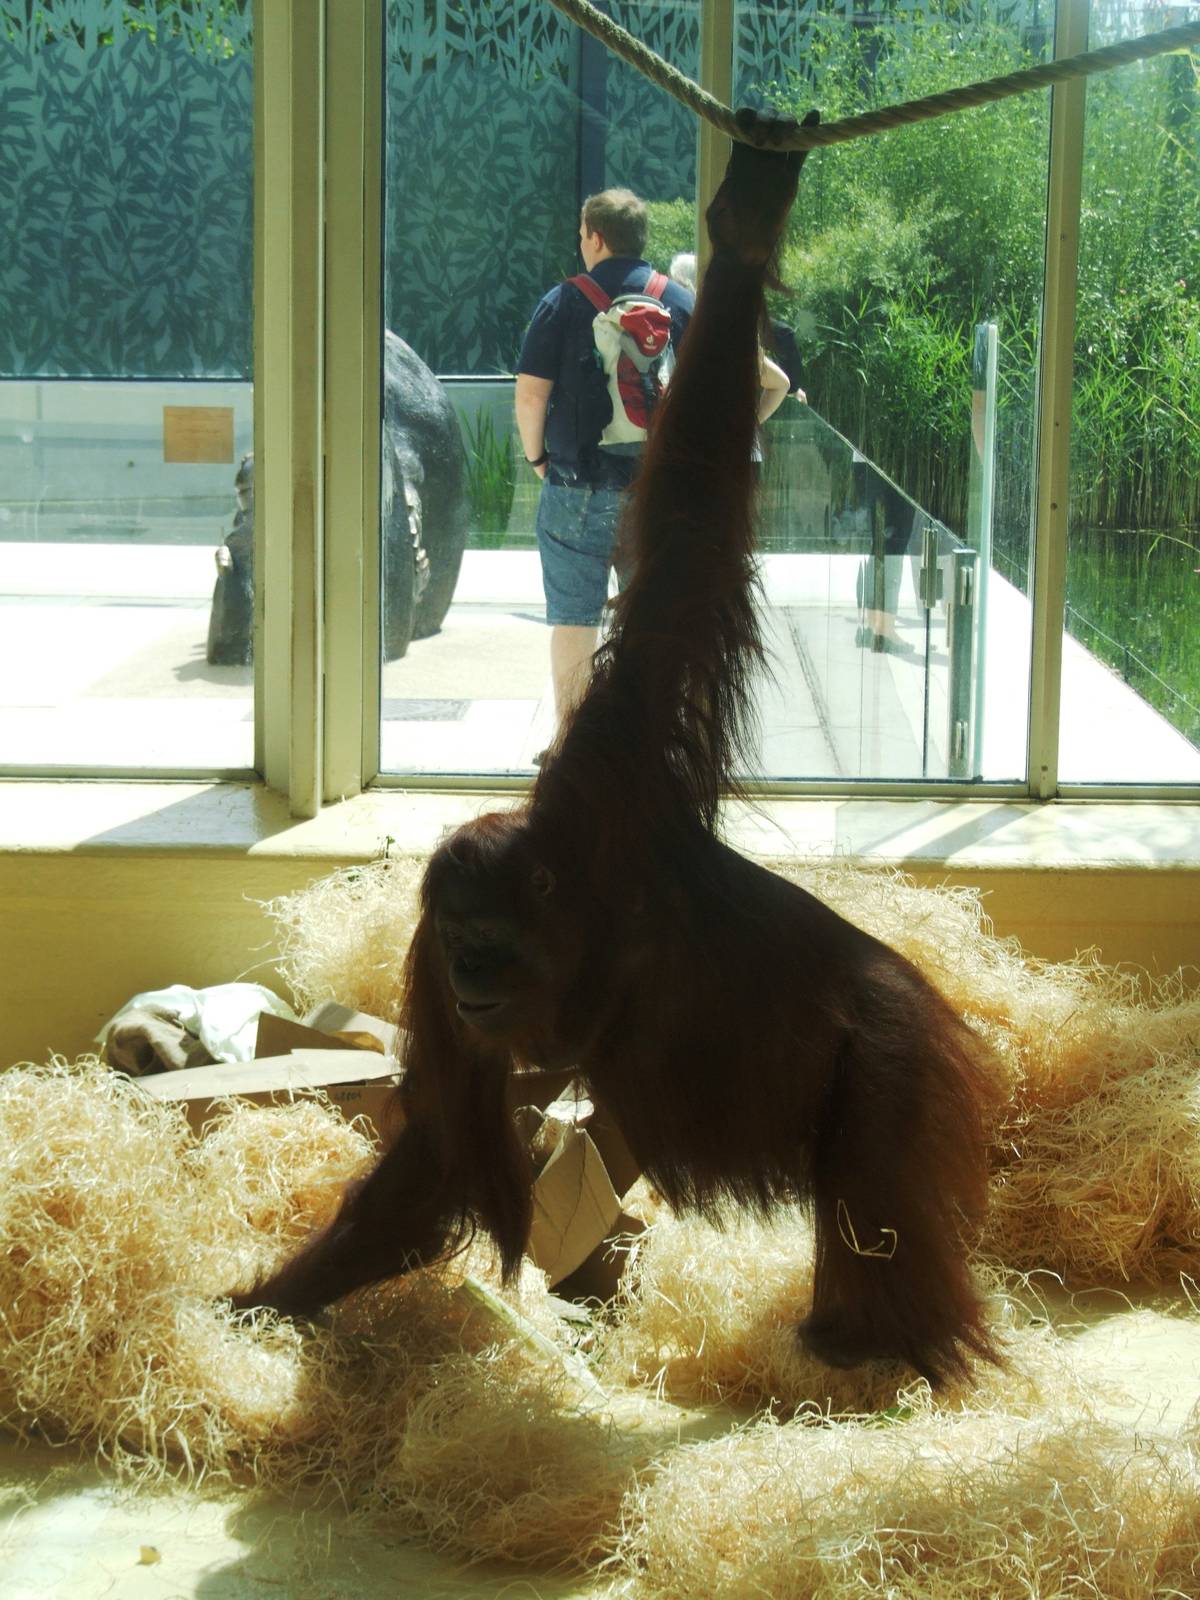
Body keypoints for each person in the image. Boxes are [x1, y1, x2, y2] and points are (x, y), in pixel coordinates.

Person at [515, 190, 693, 743]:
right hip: (659, 490)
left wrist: (537, 458)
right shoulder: (682, 303)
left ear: (595, 236)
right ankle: (649, 735)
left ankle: (572, 740)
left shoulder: (562, 303)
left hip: (578, 487)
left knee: (574, 616)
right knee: (649, 618)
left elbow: (529, 397)